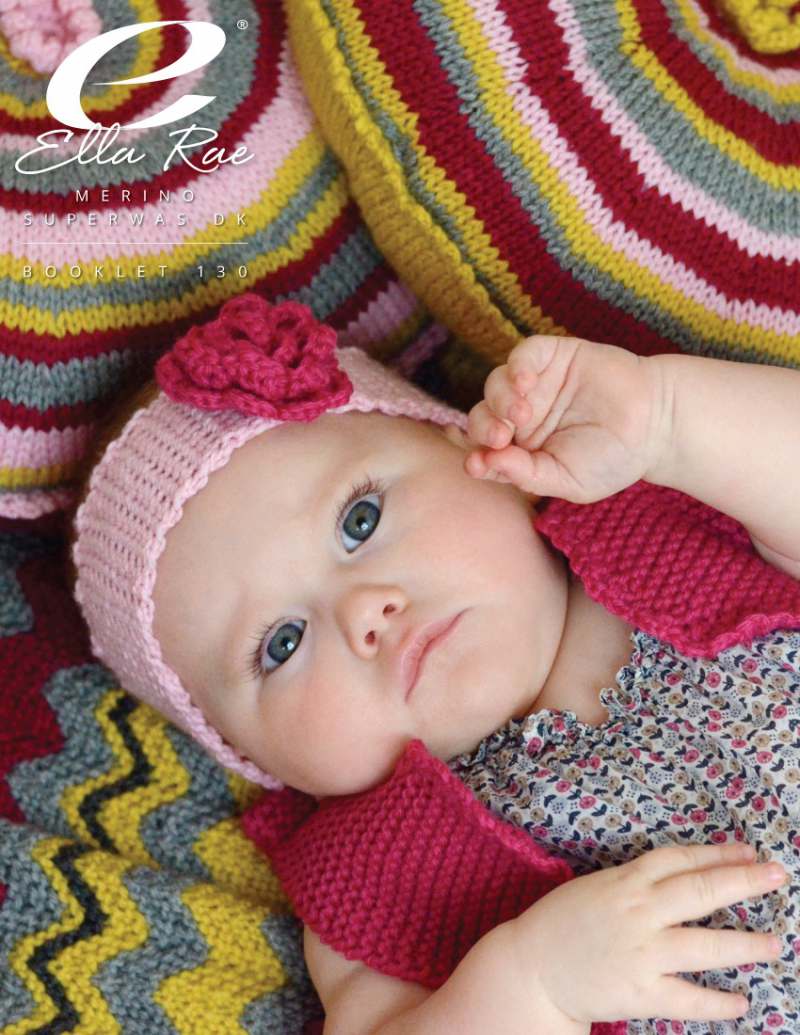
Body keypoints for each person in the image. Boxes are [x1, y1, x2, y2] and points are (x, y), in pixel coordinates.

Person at [69, 291, 800, 1035]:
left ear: (471, 450)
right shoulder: (379, 874)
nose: (364, 611)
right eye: (281, 643)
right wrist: (533, 987)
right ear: (254, 758)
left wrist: (667, 420)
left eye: (360, 521)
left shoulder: (667, 519)